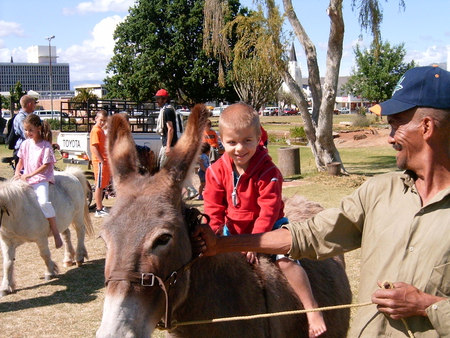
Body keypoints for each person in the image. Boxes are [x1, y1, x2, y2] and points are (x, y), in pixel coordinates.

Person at [193, 66, 450, 337]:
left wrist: (427, 306)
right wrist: (223, 243)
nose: (388, 137)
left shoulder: (266, 172)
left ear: (426, 127)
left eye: (395, 124)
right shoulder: (378, 192)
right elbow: (312, 236)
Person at [203, 102, 326, 337]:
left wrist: (254, 242)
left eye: (247, 141)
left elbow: (268, 211)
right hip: (233, 231)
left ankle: (312, 309)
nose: (239, 148)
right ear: (221, 140)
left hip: (268, 229)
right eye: (232, 142)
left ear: (259, 137)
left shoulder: (269, 172)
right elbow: (213, 206)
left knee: (286, 261)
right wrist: (215, 230)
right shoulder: (215, 171)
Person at [14, 114, 63, 249]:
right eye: (26, 130)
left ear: (38, 128)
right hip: (26, 178)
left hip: (41, 179)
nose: (28, 133)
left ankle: (55, 232)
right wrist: (18, 172)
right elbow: (20, 162)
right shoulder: (25, 144)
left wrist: (29, 174)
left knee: (43, 202)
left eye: (31, 130)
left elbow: (45, 165)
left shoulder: (45, 145)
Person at [90, 110, 110, 218]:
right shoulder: (96, 130)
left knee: (102, 185)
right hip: (99, 162)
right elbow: (94, 147)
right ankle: (98, 209)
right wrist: (101, 160)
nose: (102, 122)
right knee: (99, 185)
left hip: (103, 161)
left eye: (104, 121)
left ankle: (100, 206)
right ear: (96, 118)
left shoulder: (101, 130)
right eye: (101, 120)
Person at [154, 89, 178, 169]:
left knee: (162, 169)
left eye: (158, 99)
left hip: (169, 145)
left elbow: (170, 129)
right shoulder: (165, 110)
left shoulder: (167, 110)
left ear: (164, 99)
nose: (156, 101)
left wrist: (168, 147)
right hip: (166, 143)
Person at [13, 95, 36, 165]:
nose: (35, 106)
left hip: (31, 149)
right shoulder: (21, 118)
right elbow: (27, 135)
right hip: (23, 151)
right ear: (30, 104)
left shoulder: (30, 116)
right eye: (34, 103)